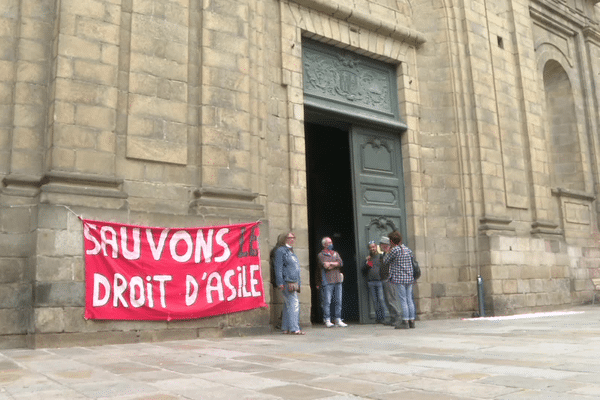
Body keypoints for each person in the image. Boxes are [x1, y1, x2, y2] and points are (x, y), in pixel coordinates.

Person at [382, 231, 416, 329]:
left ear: (391, 241)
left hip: (400, 278)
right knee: (409, 299)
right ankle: (412, 321)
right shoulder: (408, 250)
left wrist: (387, 251)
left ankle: (405, 321)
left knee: (403, 299)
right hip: (409, 278)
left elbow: (385, 261)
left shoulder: (394, 250)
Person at [273, 231, 304, 335]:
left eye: (293, 237)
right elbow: (278, 268)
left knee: (287, 305)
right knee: (294, 304)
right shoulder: (281, 251)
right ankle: (295, 328)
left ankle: (285, 327)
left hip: (293, 281)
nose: (292, 239)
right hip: (287, 281)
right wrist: (280, 282)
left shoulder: (290, 251)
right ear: (284, 239)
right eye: (290, 238)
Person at [317, 236, 347, 327]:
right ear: (324, 244)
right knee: (327, 301)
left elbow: (341, 263)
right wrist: (335, 264)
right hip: (327, 280)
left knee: (338, 300)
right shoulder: (321, 255)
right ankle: (327, 319)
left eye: (331, 242)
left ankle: (338, 319)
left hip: (337, 279)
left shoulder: (336, 253)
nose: (331, 244)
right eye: (329, 242)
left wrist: (331, 264)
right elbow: (325, 266)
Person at [362, 240, 390, 324]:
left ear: (376, 247)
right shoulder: (368, 259)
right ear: (369, 249)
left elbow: (385, 268)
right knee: (375, 301)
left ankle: (384, 317)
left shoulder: (380, 257)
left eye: (373, 247)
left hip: (379, 281)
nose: (372, 249)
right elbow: (363, 271)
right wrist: (367, 264)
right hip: (371, 282)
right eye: (370, 247)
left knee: (381, 299)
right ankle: (379, 318)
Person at [379, 236, 402, 326]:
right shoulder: (384, 254)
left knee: (391, 299)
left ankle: (398, 318)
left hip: (390, 279)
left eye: (381, 244)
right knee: (387, 300)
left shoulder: (391, 253)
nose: (380, 246)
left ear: (385, 245)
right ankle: (393, 317)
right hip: (384, 278)